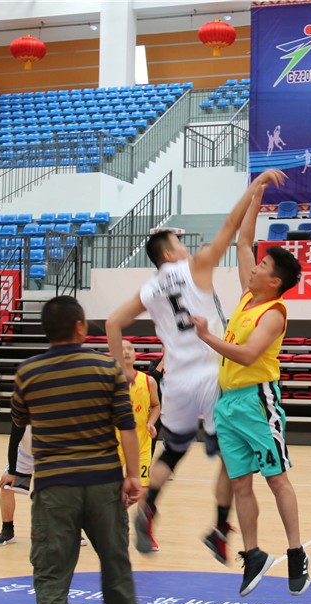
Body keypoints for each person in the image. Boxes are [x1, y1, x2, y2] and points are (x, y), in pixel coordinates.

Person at [106, 169, 286, 561]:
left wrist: (121, 374)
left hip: (176, 382)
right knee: (233, 456)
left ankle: (149, 507)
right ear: (169, 254)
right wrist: (253, 189)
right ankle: (220, 527)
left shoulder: (149, 289)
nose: (186, 247)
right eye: (179, 243)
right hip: (210, 376)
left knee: (172, 452)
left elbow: (112, 323)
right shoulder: (196, 266)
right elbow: (231, 226)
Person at [11, 295, 143, 604]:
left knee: (52, 580)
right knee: (116, 566)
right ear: (82, 327)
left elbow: (21, 422)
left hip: (54, 489)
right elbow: (127, 426)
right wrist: (131, 476)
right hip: (104, 483)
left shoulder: (27, 373)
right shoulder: (107, 368)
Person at [191, 230, 310, 598]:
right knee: (240, 483)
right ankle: (253, 553)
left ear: (274, 281)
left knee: (276, 479)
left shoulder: (273, 314)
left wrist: (206, 336)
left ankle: (296, 553)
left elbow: (246, 355)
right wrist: (254, 199)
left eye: (263, 265)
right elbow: (244, 243)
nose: (255, 267)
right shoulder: (248, 296)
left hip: (257, 401)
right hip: (227, 404)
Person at [0, 424, 88, 549]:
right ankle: (7, 531)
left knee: (65, 489)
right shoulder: (22, 415)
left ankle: (71, 531)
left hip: (51, 455)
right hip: (25, 455)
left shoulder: (53, 415)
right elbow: (14, 442)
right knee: (6, 486)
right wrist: (11, 471)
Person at [116, 339, 160, 488]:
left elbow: (156, 405)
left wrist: (151, 422)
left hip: (141, 442)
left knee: (141, 489)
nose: (126, 352)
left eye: (130, 348)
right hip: (115, 441)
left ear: (135, 354)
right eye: (122, 349)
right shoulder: (109, 381)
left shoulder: (148, 381)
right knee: (112, 488)